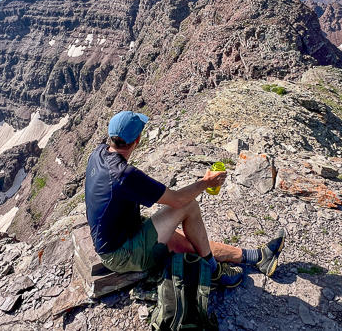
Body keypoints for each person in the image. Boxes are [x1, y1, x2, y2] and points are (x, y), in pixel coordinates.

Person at [85, 111, 285, 289]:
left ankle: (258, 257)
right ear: (137, 139)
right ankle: (215, 273)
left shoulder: (99, 153)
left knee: (193, 245)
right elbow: (178, 200)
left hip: (121, 236)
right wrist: (206, 183)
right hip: (121, 253)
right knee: (188, 206)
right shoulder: (124, 175)